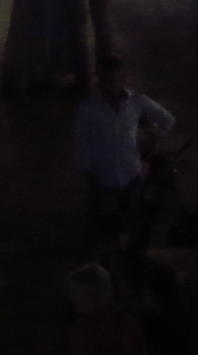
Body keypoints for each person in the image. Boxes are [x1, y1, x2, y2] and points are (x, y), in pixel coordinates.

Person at [74, 62, 174, 245]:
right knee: (106, 225)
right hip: (103, 175)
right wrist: (87, 171)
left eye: (112, 79)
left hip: (130, 172)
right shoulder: (88, 108)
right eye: (103, 80)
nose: (107, 84)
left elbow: (167, 119)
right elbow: (82, 143)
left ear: (122, 80)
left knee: (132, 219)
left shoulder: (137, 101)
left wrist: (154, 137)